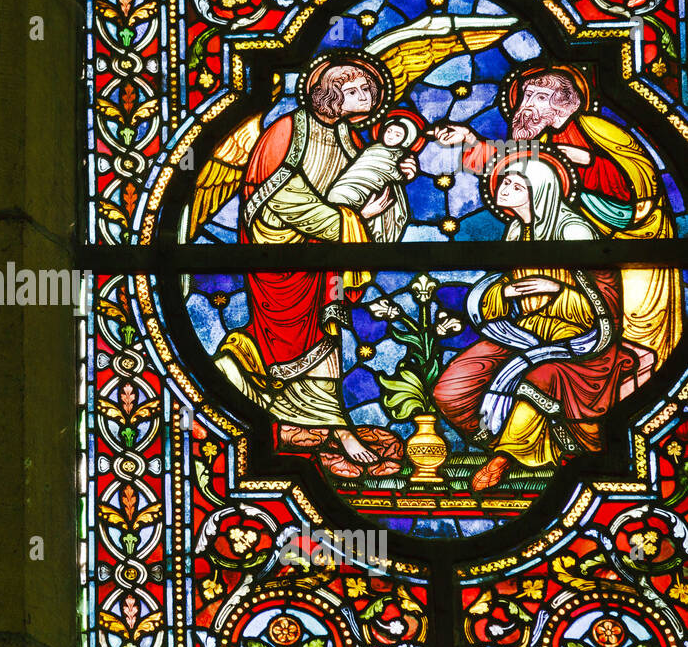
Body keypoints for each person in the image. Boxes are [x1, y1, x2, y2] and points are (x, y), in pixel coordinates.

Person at [218, 55, 412, 473]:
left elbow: (357, 186)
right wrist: (347, 222)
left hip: (325, 261)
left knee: (327, 334)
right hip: (282, 256)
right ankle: (323, 427)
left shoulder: (344, 135)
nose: (367, 97)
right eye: (356, 90)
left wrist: (394, 178)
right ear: (329, 92)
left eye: (368, 90)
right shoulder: (286, 130)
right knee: (293, 341)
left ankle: (327, 424)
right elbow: (277, 197)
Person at [431, 65, 678, 384]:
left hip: (627, 233)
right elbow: (503, 156)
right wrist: (468, 139)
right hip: (548, 259)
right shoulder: (537, 143)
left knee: (635, 324)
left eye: (540, 96)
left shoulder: (594, 129)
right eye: (527, 95)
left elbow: (638, 180)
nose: (528, 103)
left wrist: (587, 161)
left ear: (566, 103)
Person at [433, 150, 635, 491]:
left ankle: (503, 459)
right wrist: (505, 295)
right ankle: (497, 438)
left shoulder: (573, 232)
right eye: (505, 181)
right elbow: (497, 295)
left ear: (540, 192)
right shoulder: (515, 231)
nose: (505, 188)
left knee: (536, 378)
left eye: (517, 185)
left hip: (578, 340)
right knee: (451, 386)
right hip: (521, 334)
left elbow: (606, 307)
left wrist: (557, 290)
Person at [325, 110, 424, 243]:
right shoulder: (370, 148)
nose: (390, 136)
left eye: (397, 134)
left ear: (405, 139)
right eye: (389, 131)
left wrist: (406, 176)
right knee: (337, 198)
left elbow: (395, 176)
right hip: (348, 183)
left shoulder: (402, 157)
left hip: (368, 192)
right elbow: (357, 164)